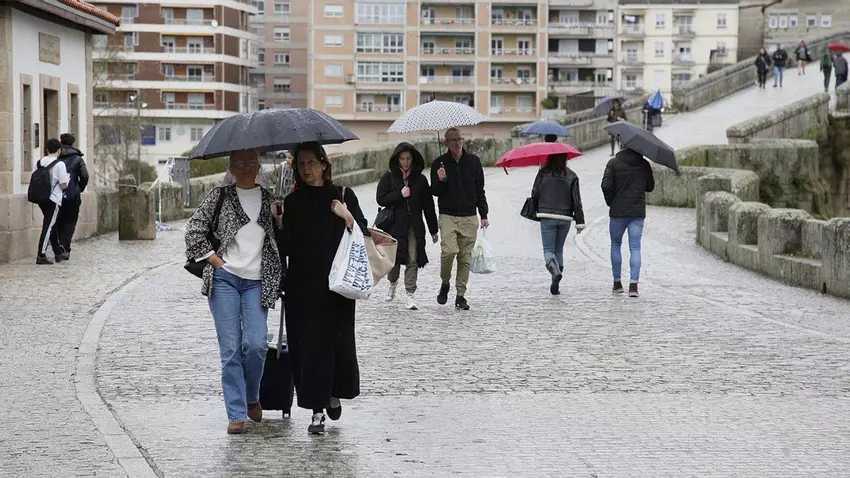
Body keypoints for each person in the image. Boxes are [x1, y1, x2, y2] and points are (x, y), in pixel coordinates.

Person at [272, 141, 367, 435]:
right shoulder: (293, 202)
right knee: (310, 349)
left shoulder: (343, 195)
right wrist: (279, 223)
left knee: (337, 345)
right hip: (303, 287)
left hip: (337, 286)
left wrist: (346, 216)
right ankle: (316, 411)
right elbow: (287, 248)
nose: (306, 169)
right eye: (301, 164)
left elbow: (362, 233)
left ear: (324, 163)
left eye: (311, 162)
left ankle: (334, 392)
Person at [184, 149, 283, 435]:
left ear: (259, 166)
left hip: (257, 281)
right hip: (225, 280)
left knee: (256, 344)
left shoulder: (270, 200)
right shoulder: (220, 196)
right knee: (230, 350)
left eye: (251, 163)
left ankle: (252, 396)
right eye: (240, 163)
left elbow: (283, 241)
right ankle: (236, 413)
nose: (246, 168)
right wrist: (215, 260)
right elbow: (193, 230)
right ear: (231, 168)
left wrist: (280, 220)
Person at [430, 128, 489, 311]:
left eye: (459, 139)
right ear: (445, 143)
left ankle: (460, 295)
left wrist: (484, 214)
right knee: (449, 251)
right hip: (448, 215)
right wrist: (441, 180)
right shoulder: (438, 164)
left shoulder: (473, 161)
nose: (457, 143)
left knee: (464, 258)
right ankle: (445, 282)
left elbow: (480, 189)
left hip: (469, 216)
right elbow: (435, 191)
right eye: (453, 140)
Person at [376, 142, 439, 310]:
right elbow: (380, 199)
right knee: (394, 259)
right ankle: (392, 283)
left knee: (413, 257)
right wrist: (399, 195)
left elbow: (428, 206)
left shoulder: (420, 180)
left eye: (408, 158)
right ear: (397, 159)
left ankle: (410, 293)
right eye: (402, 159)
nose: (405, 162)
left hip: (414, 226)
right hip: (394, 225)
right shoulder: (389, 177)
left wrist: (433, 230)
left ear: (413, 159)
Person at [601, 148, 655, 298]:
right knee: (635, 247)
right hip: (637, 212)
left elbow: (606, 185)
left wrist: (611, 202)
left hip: (617, 212)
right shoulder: (644, 164)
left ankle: (617, 283)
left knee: (615, 245)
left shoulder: (613, 163)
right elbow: (650, 187)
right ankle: (633, 285)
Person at [531, 153, 585, 295]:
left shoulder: (543, 173)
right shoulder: (572, 176)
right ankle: (556, 282)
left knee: (548, 250)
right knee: (559, 250)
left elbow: (534, 194)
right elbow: (577, 200)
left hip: (547, 216)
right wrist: (580, 221)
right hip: (565, 217)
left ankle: (555, 272)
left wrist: (537, 207)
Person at [52, 133, 89, 261]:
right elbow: (85, 176)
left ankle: (58, 247)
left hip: (56, 194)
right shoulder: (78, 159)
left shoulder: (55, 158)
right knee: (70, 222)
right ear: (73, 143)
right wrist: (79, 188)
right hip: (72, 195)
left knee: (56, 221)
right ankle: (65, 246)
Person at [34, 138, 69, 265]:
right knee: (48, 226)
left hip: (41, 197)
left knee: (51, 224)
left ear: (47, 149)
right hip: (53, 198)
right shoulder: (60, 164)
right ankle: (41, 255)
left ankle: (58, 253)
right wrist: (68, 179)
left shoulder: (39, 162)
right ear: (59, 150)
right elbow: (64, 185)